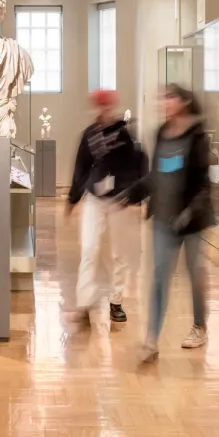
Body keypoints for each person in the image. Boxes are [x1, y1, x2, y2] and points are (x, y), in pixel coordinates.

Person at [120, 84, 214, 362]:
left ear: (183, 102)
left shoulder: (197, 136)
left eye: (170, 97)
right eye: (163, 98)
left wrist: (188, 213)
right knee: (160, 277)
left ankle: (199, 326)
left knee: (194, 274)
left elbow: (203, 185)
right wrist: (131, 194)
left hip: (191, 221)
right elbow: (156, 176)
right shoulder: (161, 133)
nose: (164, 102)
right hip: (163, 219)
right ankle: (152, 339)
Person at [66, 88, 145, 324]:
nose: (104, 110)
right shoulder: (89, 135)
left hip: (118, 200)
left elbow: (134, 166)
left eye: (107, 105)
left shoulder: (123, 133)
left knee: (118, 253)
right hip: (93, 198)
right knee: (89, 249)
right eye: (100, 105)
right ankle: (84, 303)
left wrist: (133, 198)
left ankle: (116, 301)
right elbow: (81, 168)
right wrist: (72, 200)